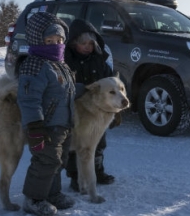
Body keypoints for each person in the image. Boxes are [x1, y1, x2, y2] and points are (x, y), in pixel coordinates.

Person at [17, 12, 75, 216]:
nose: (55, 44)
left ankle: (52, 193)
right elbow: (29, 99)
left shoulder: (60, 65)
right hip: (45, 126)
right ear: (36, 40)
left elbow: (67, 91)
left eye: (59, 40)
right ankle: (33, 199)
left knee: (58, 160)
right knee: (45, 161)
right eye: (49, 40)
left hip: (63, 124)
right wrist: (35, 127)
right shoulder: (35, 65)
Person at [64, 19, 117, 192]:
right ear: (73, 44)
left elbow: (111, 82)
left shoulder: (100, 59)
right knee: (74, 145)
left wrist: (115, 107)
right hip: (74, 111)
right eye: (83, 43)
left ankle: (97, 171)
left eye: (90, 43)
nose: (87, 47)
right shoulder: (66, 61)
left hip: (97, 112)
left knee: (99, 143)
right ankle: (75, 177)